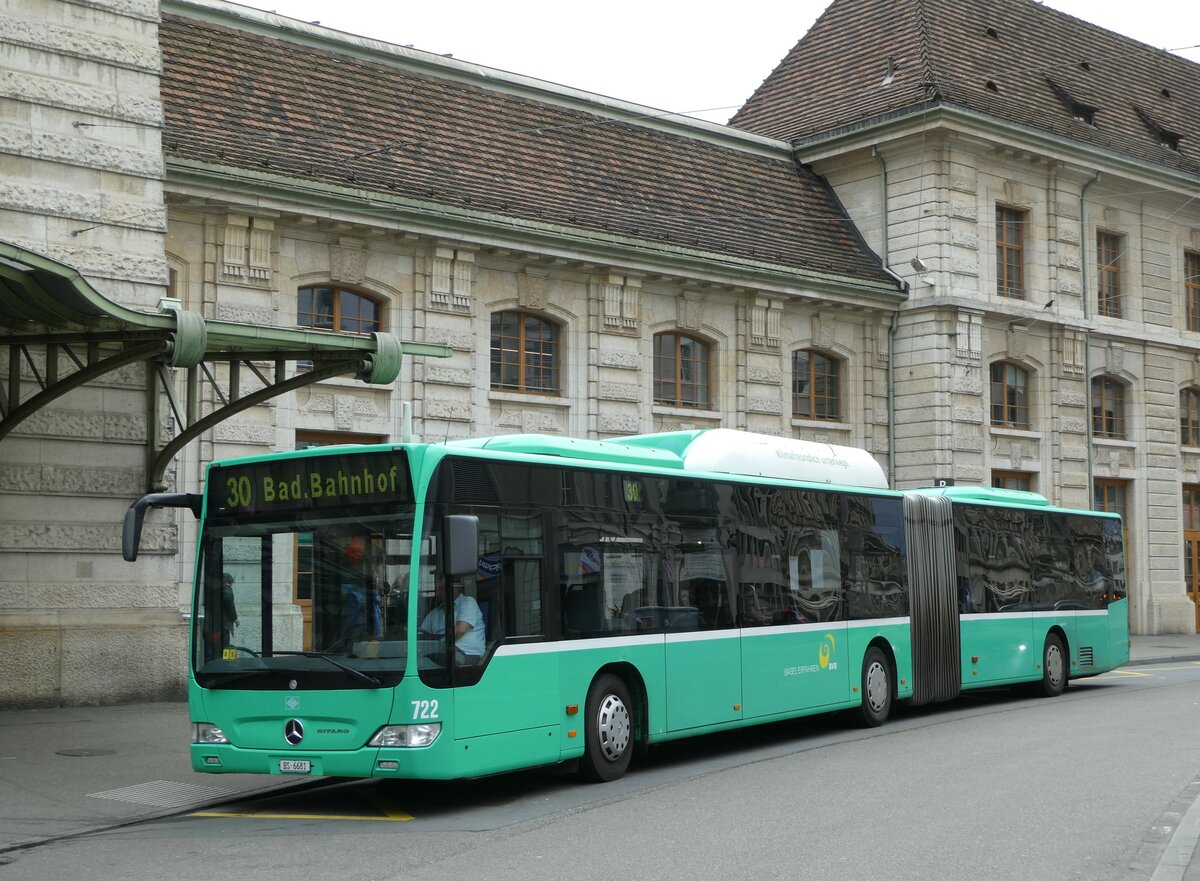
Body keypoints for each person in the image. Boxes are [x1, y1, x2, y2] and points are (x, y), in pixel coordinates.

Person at [419, 574, 486, 662]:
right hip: (443, 652)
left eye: (442, 588)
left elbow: (460, 630)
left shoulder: (468, 602)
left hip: (467, 654)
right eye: (437, 589)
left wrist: (439, 644)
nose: (438, 592)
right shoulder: (435, 613)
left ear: (456, 588)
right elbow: (421, 633)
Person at [220, 572, 239, 646]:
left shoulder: (219, 590)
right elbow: (230, 604)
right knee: (225, 645)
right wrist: (235, 619)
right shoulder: (227, 590)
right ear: (229, 581)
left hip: (217, 624)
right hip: (224, 624)